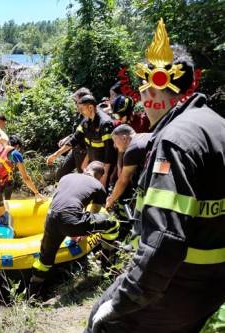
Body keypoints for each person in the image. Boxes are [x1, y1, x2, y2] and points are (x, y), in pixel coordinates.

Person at [87, 19, 225, 333]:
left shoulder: (174, 139)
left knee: (100, 322)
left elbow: (164, 241)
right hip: (212, 289)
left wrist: (119, 302)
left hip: (177, 286)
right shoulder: (217, 125)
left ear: (154, 87)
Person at [29, 161, 119, 298]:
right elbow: (94, 213)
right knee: (113, 224)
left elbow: (61, 201)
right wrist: (80, 230)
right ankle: (106, 268)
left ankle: (32, 296)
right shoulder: (98, 186)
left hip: (51, 219)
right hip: (71, 221)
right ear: (100, 177)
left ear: (86, 169)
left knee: (44, 261)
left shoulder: (66, 177)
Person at [47, 95, 116, 188]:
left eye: (82, 109)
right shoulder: (86, 122)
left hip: (105, 167)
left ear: (91, 107)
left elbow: (110, 152)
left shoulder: (105, 123)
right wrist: (56, 155)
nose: (80, 112)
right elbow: (75, 139)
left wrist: (105, 174)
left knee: (103, 193)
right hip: (93, 164)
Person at [105, 125, 151, 211]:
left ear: (124, 138)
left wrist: (110, 200)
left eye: (115, 141)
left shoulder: (132, 149)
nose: (114, 145)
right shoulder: (143, 136)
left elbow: (123, 180)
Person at [52, 87, 91, 182]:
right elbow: (77, 132)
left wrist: (56, 155)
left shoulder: (90, 117)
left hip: (84, 153)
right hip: (74, 150)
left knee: (84, 180)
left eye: (76, 102)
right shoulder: (80, 114)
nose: (75, 105)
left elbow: (78, 138)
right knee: (60, 175)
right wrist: (67, 138)